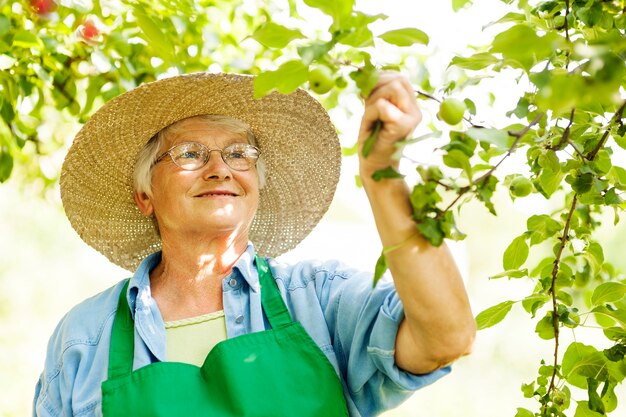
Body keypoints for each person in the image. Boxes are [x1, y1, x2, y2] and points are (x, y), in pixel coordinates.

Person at [33, 71, 475, 417]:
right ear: (145, 196)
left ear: (256, 186)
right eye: (189, 153)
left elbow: (446, 337)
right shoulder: (84, 339)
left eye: (239, 153)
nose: (220, 169)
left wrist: (383, 176)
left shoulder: (318, 300)